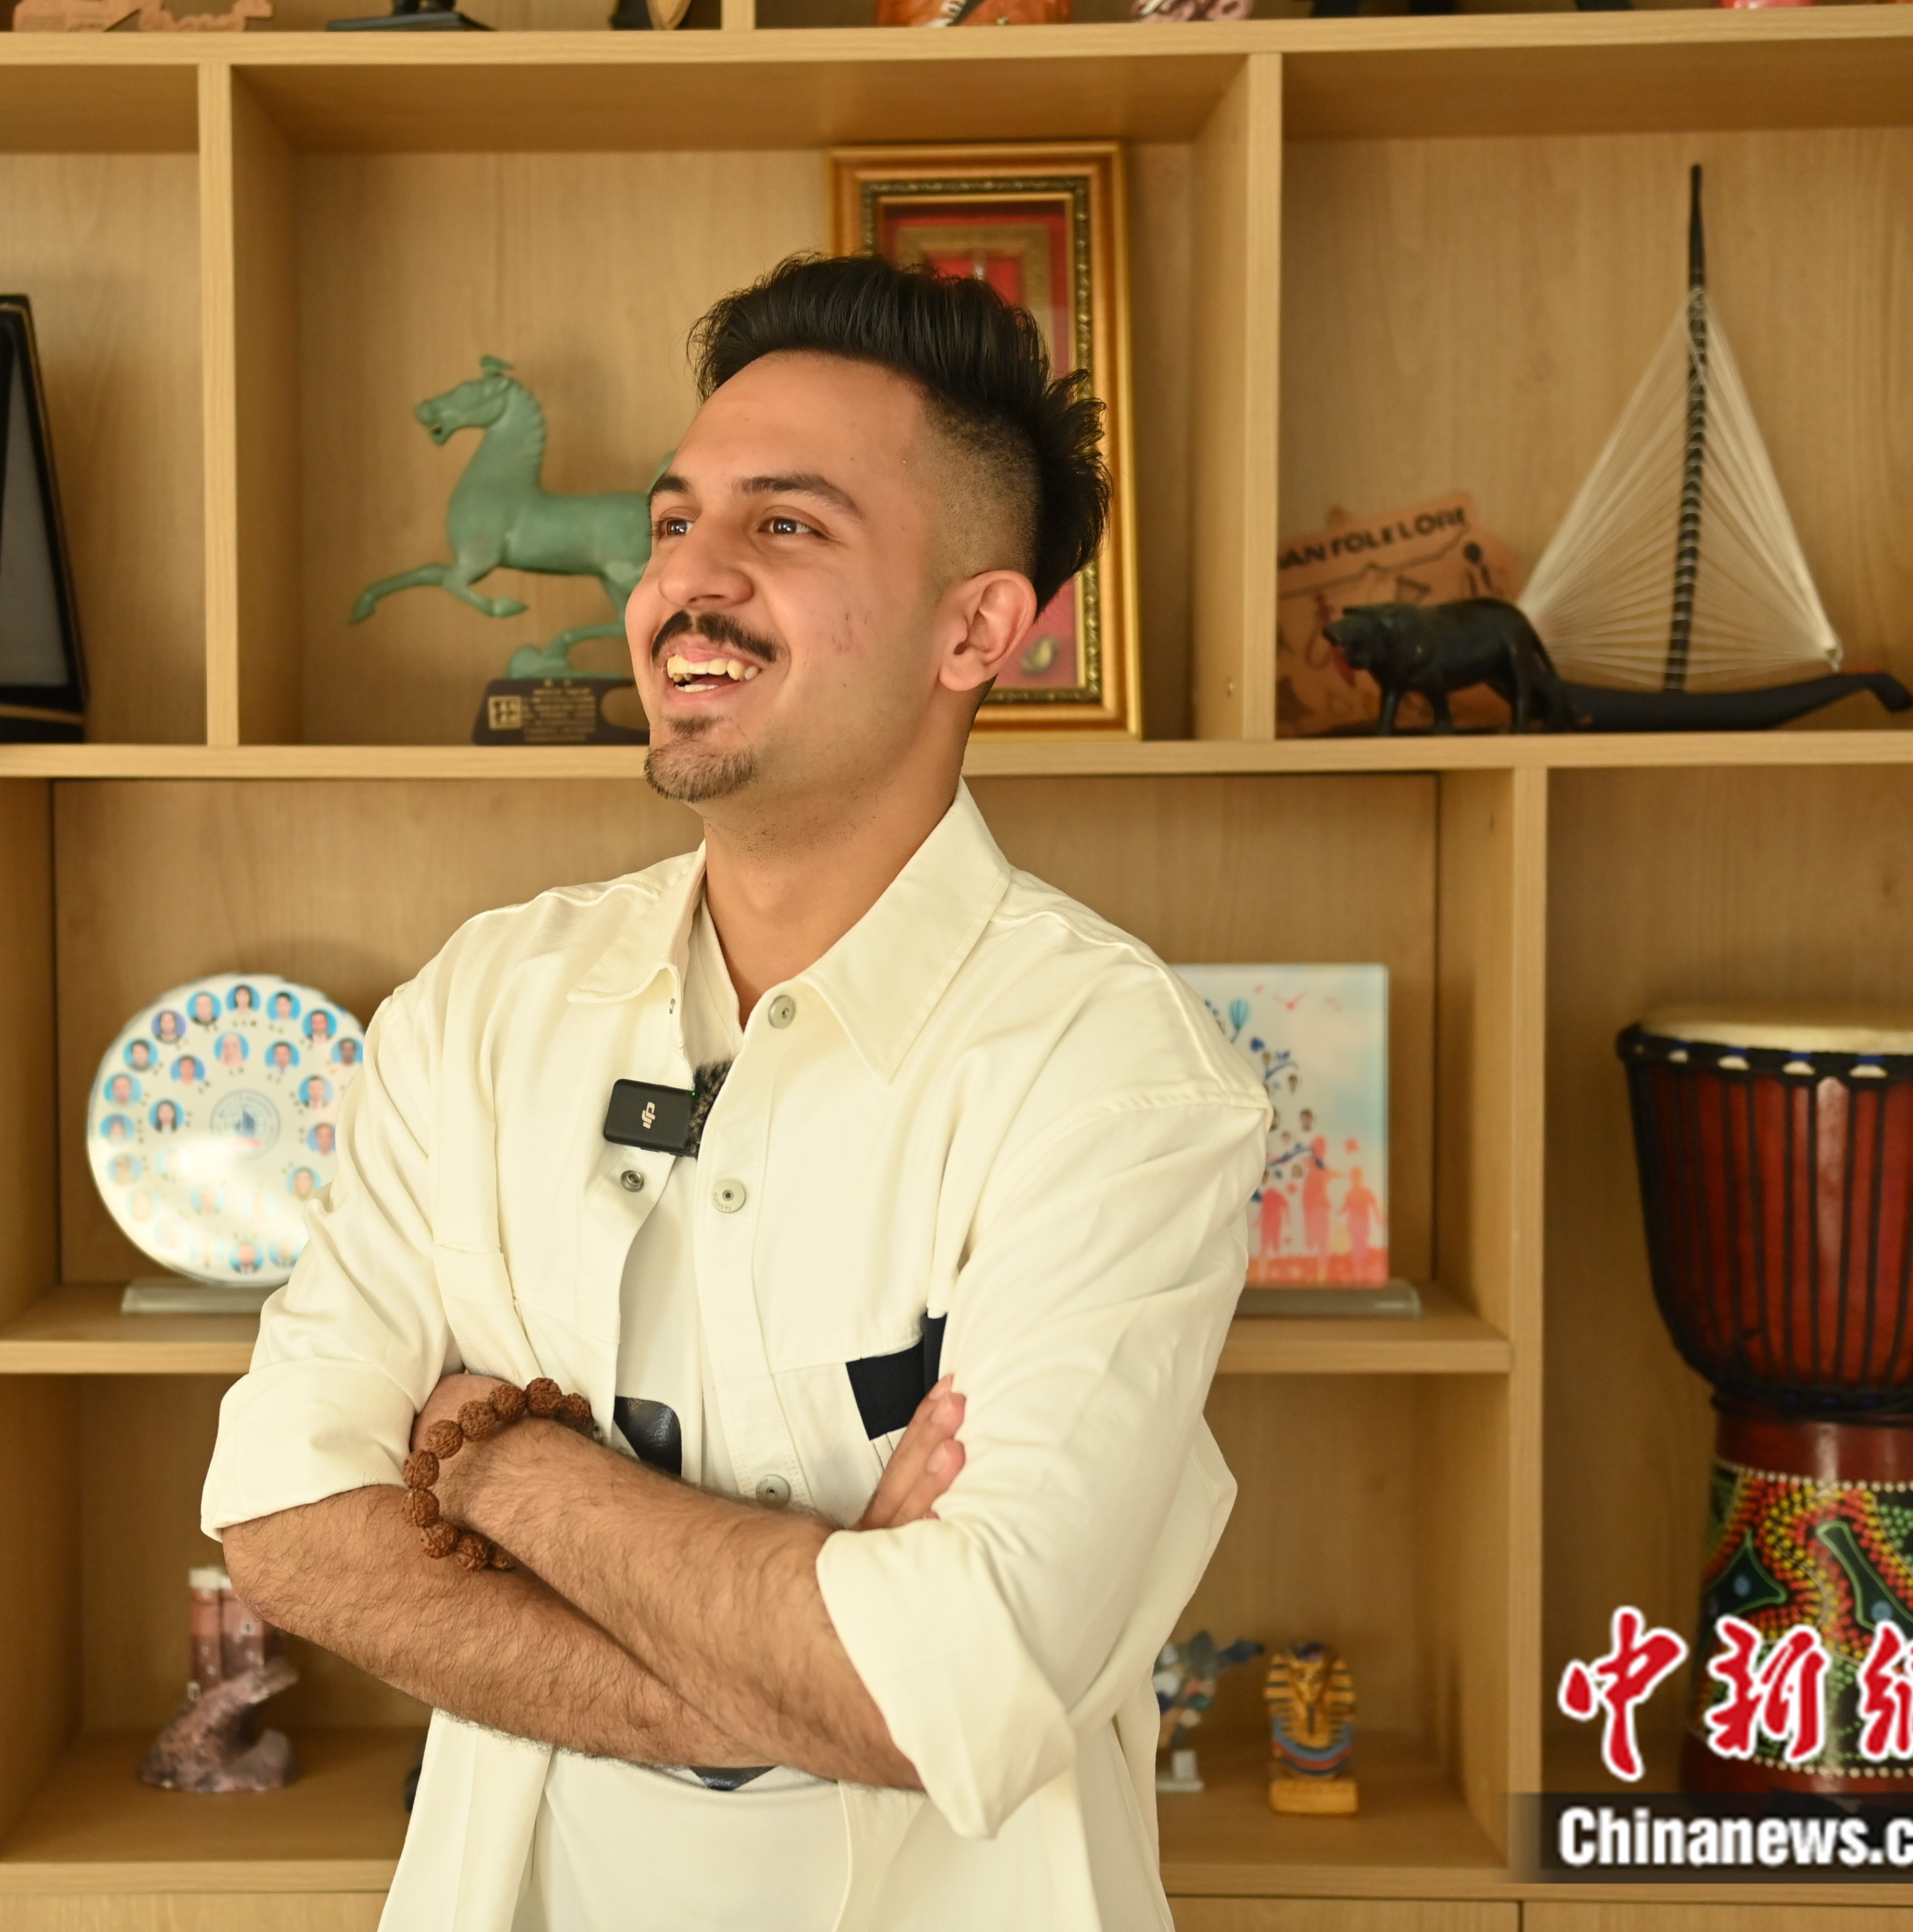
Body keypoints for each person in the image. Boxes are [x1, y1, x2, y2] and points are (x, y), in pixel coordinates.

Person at [200, 254, 1265, 1932]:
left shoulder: (1120, 1080)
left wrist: (499, 1469)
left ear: (979, 629)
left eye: (785, 526)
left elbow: (954, 1683)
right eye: (673, 521)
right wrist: (787, 1680)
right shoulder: (481, 1007)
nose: (685, 582)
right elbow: (281, 1516)